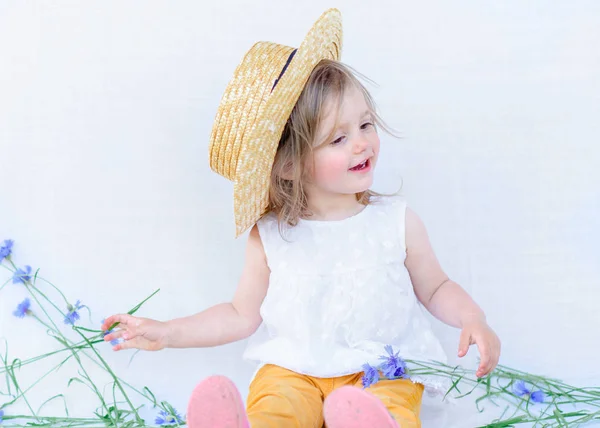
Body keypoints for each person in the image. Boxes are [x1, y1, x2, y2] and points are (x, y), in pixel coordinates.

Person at [101, 8, 501, 428]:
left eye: (366, 124)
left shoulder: (396, 223)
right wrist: (167, 332)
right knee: (277, 405)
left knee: (389, 403)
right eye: (339, 138)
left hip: (381, 367)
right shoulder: (272, 235)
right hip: (294, 369)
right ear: (289, 165)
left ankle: (370, 422)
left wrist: (473, 317)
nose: (362, 144)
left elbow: (436, 287)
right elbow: (240, 314)